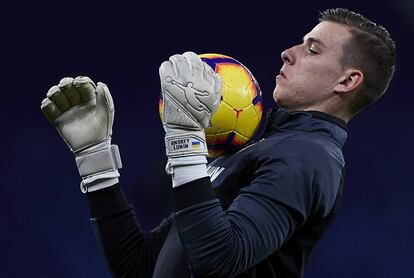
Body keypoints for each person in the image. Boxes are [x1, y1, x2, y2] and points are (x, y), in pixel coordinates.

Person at [40, 8, 396, 278]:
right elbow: (140, 266)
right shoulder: (265, 150)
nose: (288, 53)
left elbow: (220, 259)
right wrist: (96, 161)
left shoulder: (309, 157)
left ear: (348, 81)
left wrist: (186, 143)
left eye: (312, 49)